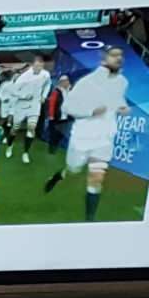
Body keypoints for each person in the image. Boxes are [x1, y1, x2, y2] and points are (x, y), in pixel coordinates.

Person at [44, 46, 130, 222]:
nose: (118, 59)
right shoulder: (87, 83)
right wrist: (91, 111)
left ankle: (89, 220)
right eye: (114, 55)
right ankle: (59, 175)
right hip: (83, 137)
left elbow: (117, 100)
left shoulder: (122, 82)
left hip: (104, 138)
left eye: (120, 55)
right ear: (104, 59)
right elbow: (67, 107)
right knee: (74, 169)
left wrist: (122, 107)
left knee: (96, 177)